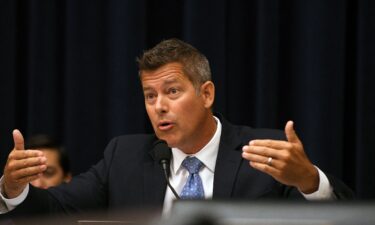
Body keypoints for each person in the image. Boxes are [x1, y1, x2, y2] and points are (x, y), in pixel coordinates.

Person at [0, 39, 353, 219]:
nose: (159, 106)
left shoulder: (266, 150)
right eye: (149, 95)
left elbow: (341, 220)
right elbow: (57, 210)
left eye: (172, 91)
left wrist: (309, 180)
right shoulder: (123, 157)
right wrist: (13, 189)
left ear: (206, 93)